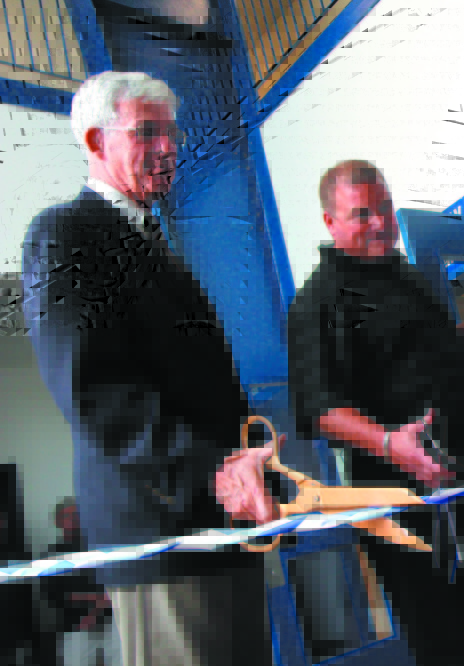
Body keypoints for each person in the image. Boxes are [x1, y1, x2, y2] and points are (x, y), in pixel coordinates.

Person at [21, 71, 275, 666]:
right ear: (94, 142)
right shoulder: (64, 234)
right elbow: (93, 391)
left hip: (218, 529)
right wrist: (214, 469)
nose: (168, 149)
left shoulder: (152, 242)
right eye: (146, 133)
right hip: (161, 536)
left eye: (172, 133)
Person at [286, 160, 464, 666]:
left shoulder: (407, 276)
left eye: (385, 208)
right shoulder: (318, 302)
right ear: (330, 223)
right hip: (404, 500)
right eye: (361, 214)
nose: (379, 223)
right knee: (449, 641)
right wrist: (392, 444)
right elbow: (319, 409)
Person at [40, 498, 121, 666]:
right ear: (58, 521)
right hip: (75, 624)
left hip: (112, 619)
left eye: (77, 514)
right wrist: (94, 600)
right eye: (68, 515)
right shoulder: (51, 554)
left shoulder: (99, 547)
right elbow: (52, 594)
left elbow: (114, 583)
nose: (74, 519)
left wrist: (96, 609)